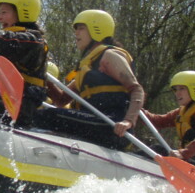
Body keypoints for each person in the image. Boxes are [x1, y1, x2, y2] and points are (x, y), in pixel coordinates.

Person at [33, 10, 144, 150]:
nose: (76, 33)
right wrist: (40, 72)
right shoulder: (88, 65)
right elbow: (61, 100)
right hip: (95, 121)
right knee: (42, 113)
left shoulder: (110, 55)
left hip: (112, 126)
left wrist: (128, 122)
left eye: (81, 28)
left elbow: (137, 89)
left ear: (96, 29)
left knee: (47, 116)